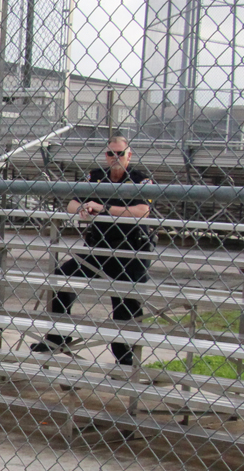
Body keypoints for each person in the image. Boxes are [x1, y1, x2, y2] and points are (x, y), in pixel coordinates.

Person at [30, 135, 153, 367]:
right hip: (99, 248)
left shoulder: (139, 179)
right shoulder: (96, 176)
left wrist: (104, 208)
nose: (115, 157)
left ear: (129, 155)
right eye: (110, 153)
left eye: (120, 153)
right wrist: (84, 208)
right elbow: (71, 204)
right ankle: (58, 336)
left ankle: (125, 357)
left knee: (125, 302)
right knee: (61, 277)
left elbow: (142, 211)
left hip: (130, 252)